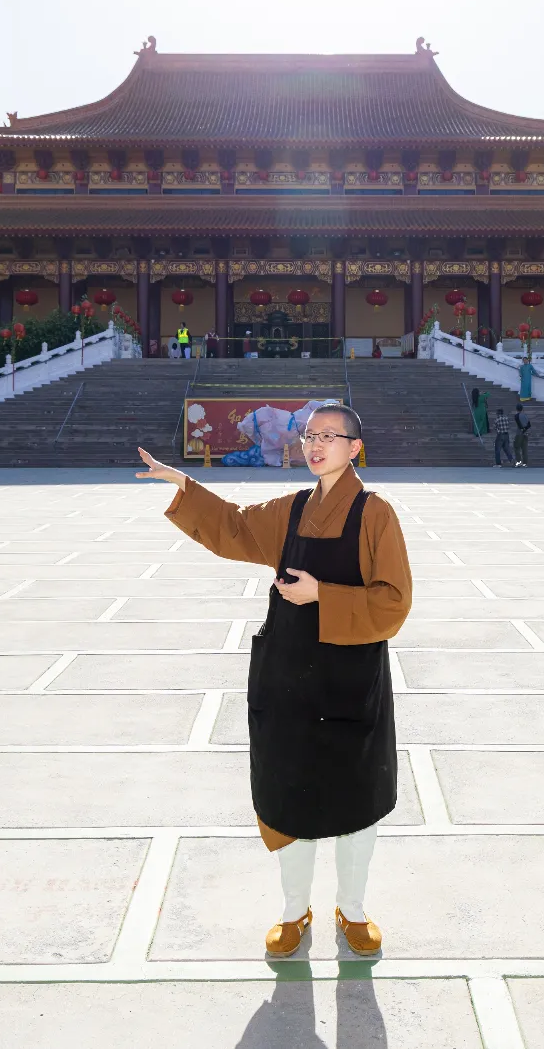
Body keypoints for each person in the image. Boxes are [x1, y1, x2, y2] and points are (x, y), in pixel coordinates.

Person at [136, 403, 411, 960]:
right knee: (288, 795)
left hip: (350, 679)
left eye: (330, 436)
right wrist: (184, 486)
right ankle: (294, 911)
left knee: (357, 795)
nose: (316, 445)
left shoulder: (376, 513)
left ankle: (352, 910)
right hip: (288, 677)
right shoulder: (291, 509)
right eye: (310, 435)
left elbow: (394, 603)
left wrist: (322, 597)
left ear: (354, 447)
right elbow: (235, 528)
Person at [513, 403, 531, 467]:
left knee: (516, 447)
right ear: (522, 408)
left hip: (519, 433)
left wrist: (522, 430)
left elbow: (519, 424)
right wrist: (525, 430)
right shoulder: (525, 415)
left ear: (516, 409)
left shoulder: (516, 416)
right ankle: (525, 463)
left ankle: (519, 462)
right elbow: (529, 425)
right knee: (524, 449)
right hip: (526, 433)